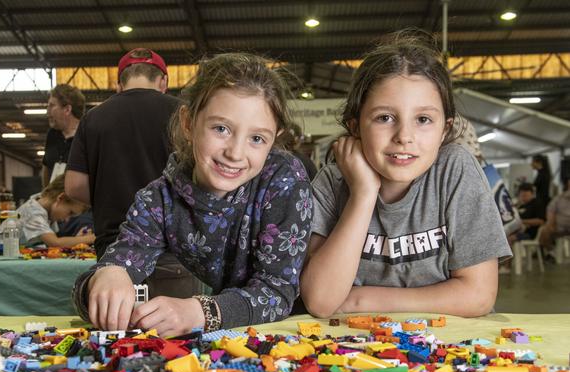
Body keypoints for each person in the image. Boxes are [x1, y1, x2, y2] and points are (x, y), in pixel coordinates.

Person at [72, 52, 312, 335]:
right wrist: (108, 275)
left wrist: (199, 311)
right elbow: (117, 261)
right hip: (236, 336)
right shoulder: (159, 200)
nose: (235, 153)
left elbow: (278, 292)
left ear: (275, 137)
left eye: (257, 139)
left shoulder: (284, 180)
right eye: (221, 129)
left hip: (298, 328)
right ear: (188, 123)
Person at [300, 29, 511, 319]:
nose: (404, 136)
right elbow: (321, 301)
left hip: (451, 347)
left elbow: (478, 296)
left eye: (423, 119)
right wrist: (362, 194)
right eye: (384, 118)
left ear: (444, 130)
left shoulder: (454, 170)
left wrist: (361, 301)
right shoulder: (331, 183)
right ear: (355, 126)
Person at [65, 47, 180, 258]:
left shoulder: (93, 118)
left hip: (115, 242)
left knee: (116, 291)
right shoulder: (184, 114)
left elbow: (74, 187)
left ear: (119, 84)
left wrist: (109, 198)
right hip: (173, 243)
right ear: (163, 81)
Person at [0, 175, 94, 250]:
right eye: (70, 212)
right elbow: (55, 243)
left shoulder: (43, 204)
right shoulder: (34, 212)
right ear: (60, 198)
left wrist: (79, 239)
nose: (67, 219)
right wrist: (90, 238)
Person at [42, 84, 86, 187]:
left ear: (67, 109)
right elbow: (46, 167)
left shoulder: (86, 136)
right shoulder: (52, 135)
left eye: (52, 105)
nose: (47, 111)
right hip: (54, 200)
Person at [539, 178, 570, 254]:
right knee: (544, 231)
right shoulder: (558, 199)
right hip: (559, 227)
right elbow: (551, 212)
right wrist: (550, 224)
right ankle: (551, 252)